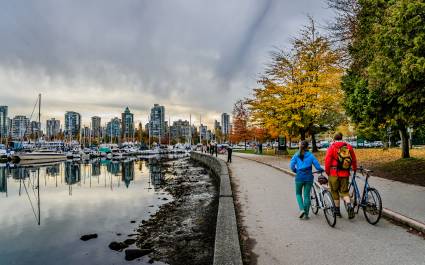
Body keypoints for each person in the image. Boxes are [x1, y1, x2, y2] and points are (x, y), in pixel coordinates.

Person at [325, 132, 357, 219]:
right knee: (345, 192)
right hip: (345, 173)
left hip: (333, 173)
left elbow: (327, 160)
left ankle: (337, 212)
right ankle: (349, 205)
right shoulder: (348, 146)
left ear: (334, 138)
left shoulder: (331, 147)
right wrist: (354, 169)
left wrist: (327, 172)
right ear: (342, 137)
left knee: (334, 191)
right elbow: (353, 159)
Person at [290, 140, 323, 219]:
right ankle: (306, 215)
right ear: (307, 147)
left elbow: (292, 166)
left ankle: (302, 209)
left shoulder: (296, 155)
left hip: (299, 177)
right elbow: (317, 166)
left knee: (298, 194)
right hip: (308, 177)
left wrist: (296, 171)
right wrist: (321, 170)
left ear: (300, 146)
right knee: (307, 195)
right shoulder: (311, 155)